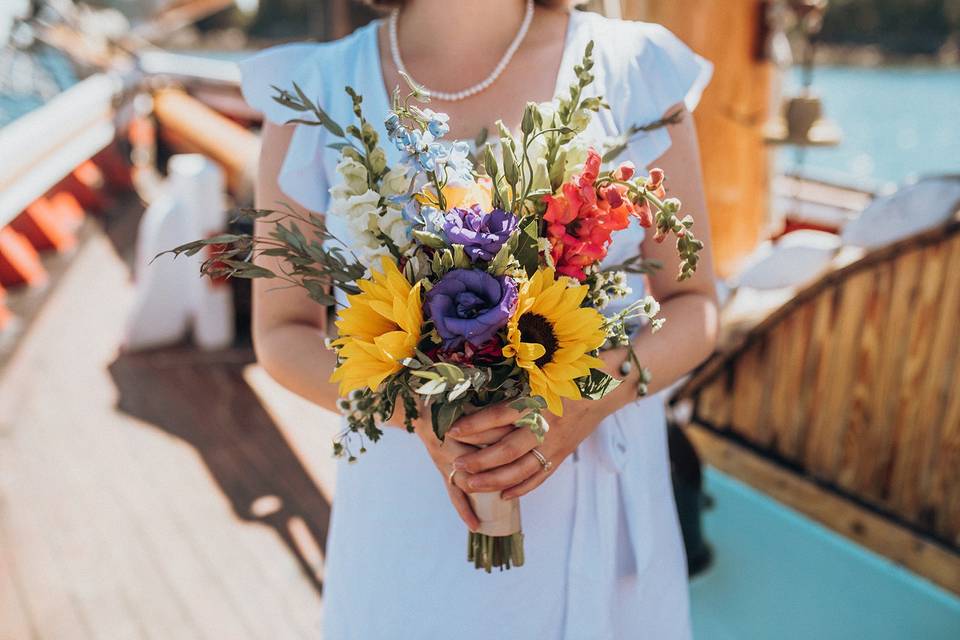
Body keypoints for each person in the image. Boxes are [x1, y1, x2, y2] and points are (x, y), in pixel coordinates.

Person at [240, 1, 719, 637]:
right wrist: (412, 412)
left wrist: (591, 397)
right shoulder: (314, 91)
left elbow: (695, 306)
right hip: (405, 515)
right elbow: (281, 333)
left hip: (596, 502)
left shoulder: (636, 69)